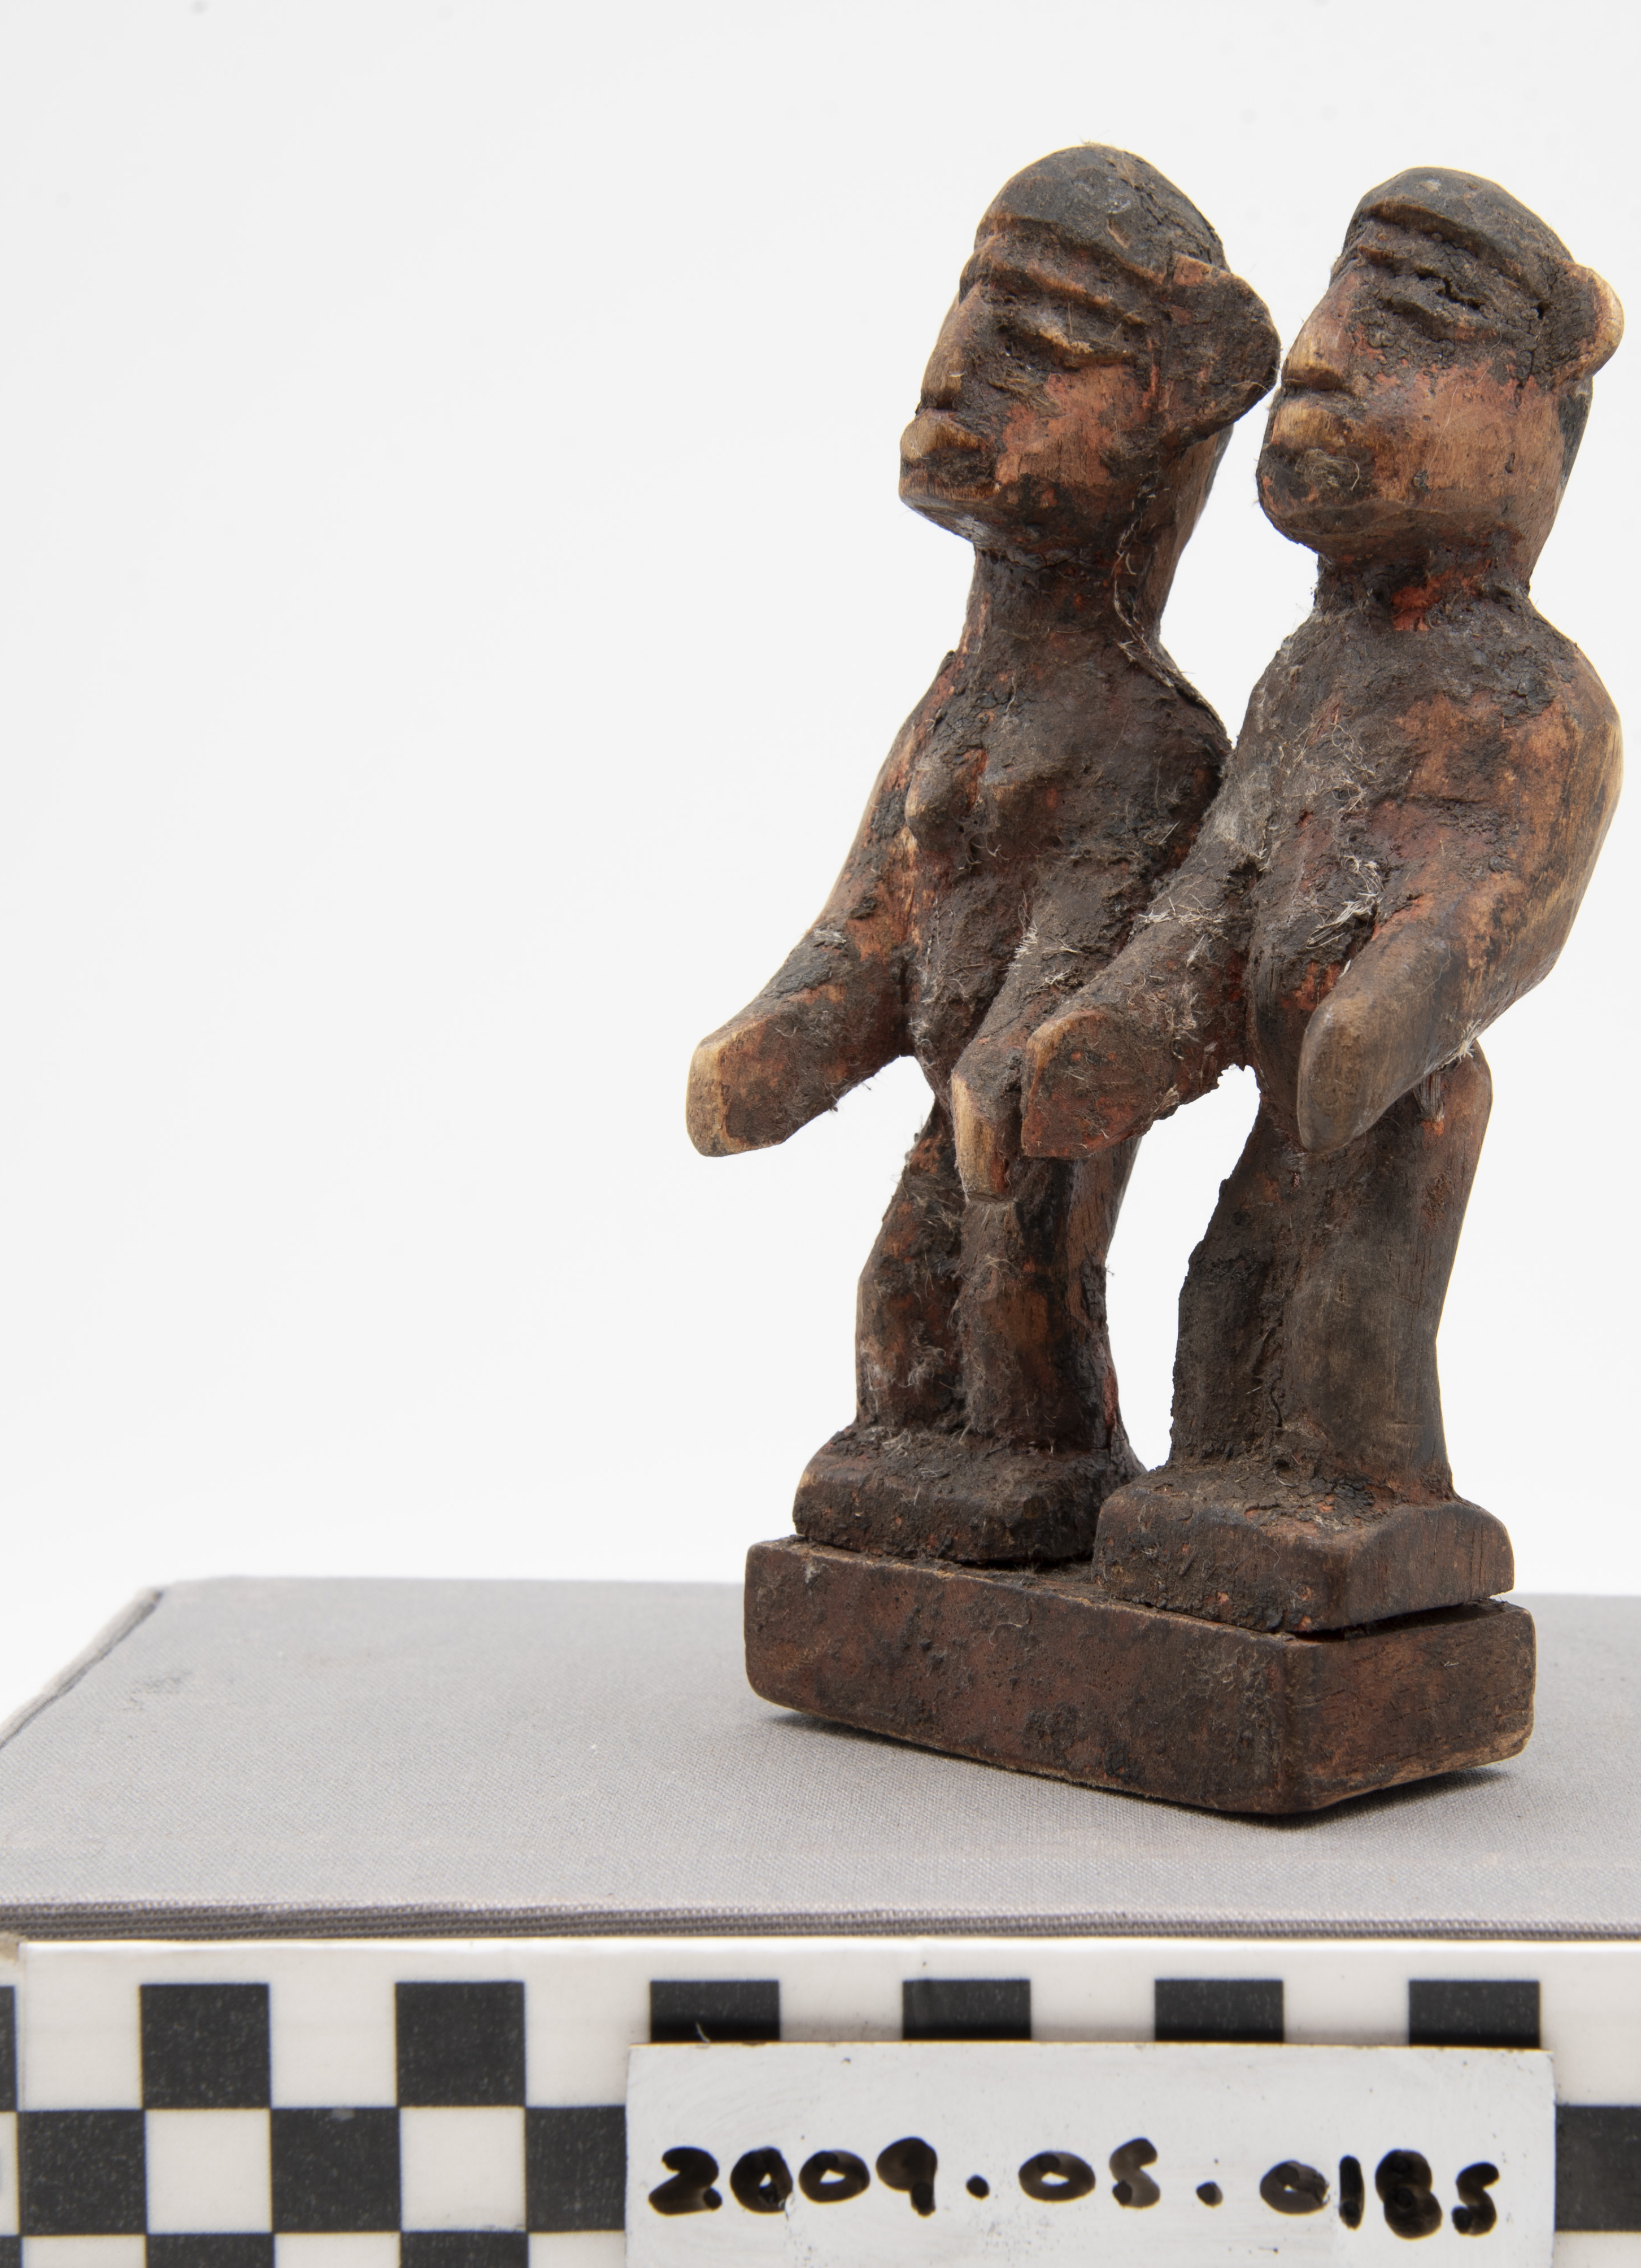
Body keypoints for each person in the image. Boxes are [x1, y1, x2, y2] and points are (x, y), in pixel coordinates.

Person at [991, 168, 1626, 1632]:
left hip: (1397, 1106)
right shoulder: (1304, 678)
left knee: (1349, 1315)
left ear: (1544, 411)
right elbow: (1219, 885)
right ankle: (1222, 1485)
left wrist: (1397, 997)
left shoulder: (1536, 699)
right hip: (1289, 1108)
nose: (1324, 355)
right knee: (1226, 1289)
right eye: (1339, 310)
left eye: (1409, 325)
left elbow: (1500, 900)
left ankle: (1373, 1501)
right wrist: (1124, 1023)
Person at [686, 146, 1279, 1564]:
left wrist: (1012, 1063)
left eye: (1033, 347)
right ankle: (937, 1464)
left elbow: (1089, 950)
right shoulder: (953, 706)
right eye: (969, 314)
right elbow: (873, 917)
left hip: (1026, 1129)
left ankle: (1046, 1458)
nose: (955, 368)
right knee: (899, 1297)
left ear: (1171, 403)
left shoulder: (1148, 735)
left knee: (1020, 1271)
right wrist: (778, 1039)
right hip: (953, 1117)